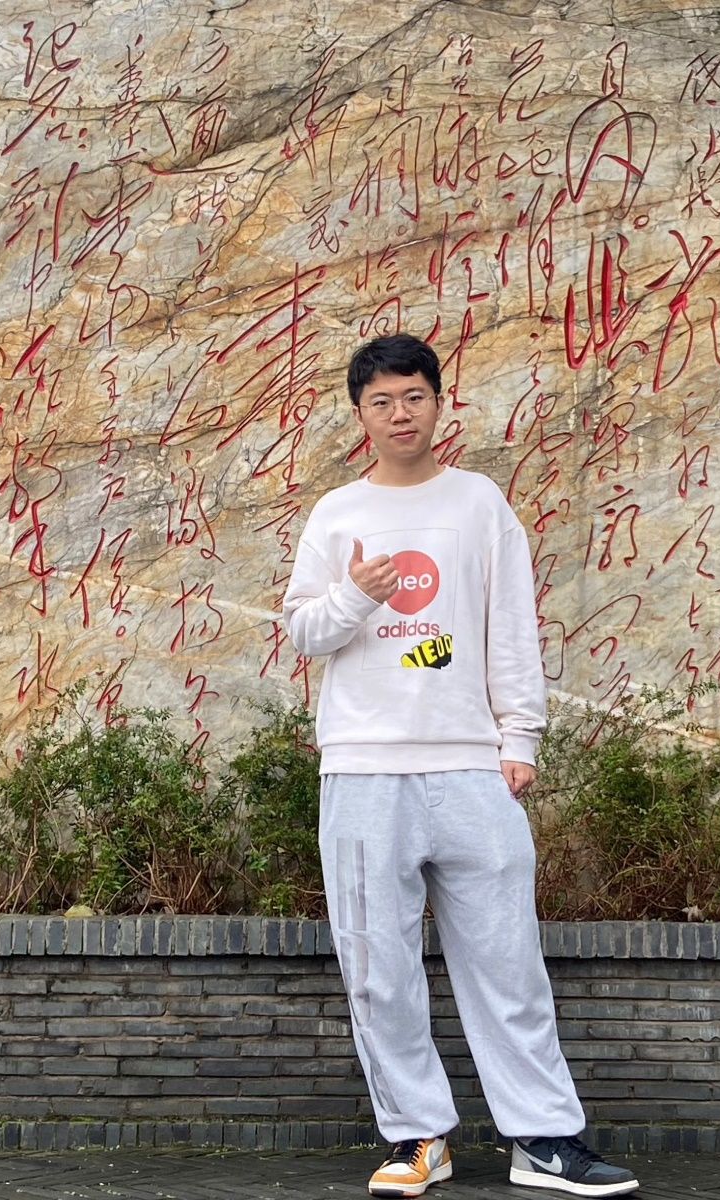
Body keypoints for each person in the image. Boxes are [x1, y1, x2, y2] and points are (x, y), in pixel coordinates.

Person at [282, 334, 639, 1199]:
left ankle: (544, 1140)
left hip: (470, 767)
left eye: (414, 396)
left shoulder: (479, 503)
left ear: (439, 403)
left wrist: (520, 739)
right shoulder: (336, 513)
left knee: (507, 961)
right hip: (362, 770)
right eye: (381, 401)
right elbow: (304, 633)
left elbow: (510, 625)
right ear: (360, 414)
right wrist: (359, 592)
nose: (399, 414)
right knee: (378, 967)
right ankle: (417, 1137)